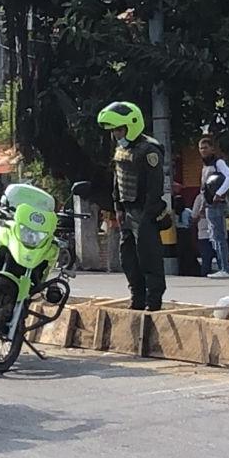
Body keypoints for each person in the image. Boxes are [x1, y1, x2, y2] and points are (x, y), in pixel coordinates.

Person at [98, 101, 167, 310]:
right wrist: (118, 208)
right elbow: (117, 182)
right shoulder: (121, 151)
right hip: (127, 212)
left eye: (119, 129)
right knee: (128, 257)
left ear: (132, 124)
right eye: (114, 131)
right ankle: (136, 297)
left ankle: (153, 300)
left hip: (145, 211)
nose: (117, 135)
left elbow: (154, 188)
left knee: (148, 257)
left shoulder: (149, 150)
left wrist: (147, 215)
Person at [199, 136, 229, 279]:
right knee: (214, 236)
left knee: (219, 236)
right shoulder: (205, 165)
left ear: (212, 149)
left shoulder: (218, 162)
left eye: (206, 147)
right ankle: (222, 267)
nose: (203, 151)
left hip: (216, 204)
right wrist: (202, 205)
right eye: (201, 148)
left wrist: (219, 193)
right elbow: (204, 187)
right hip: (208, 204)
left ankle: (225, 269)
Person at [192, 190, 216, 276]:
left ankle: (206, 276)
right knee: (219, 258)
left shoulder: (200, 198)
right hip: (213, 233)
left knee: (206, 259)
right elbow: (228, 212)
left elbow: (194, 216)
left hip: (206, 233)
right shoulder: (222, 196)